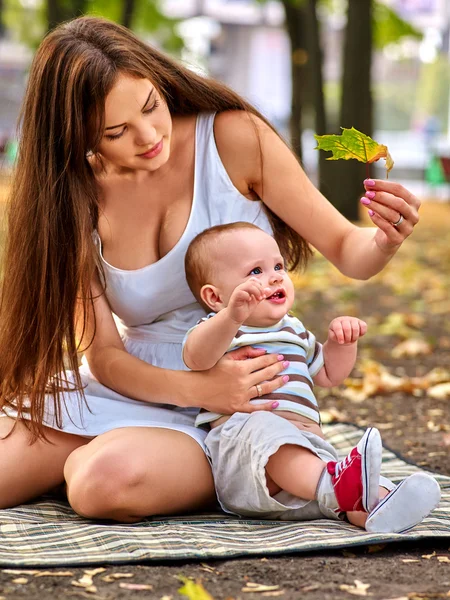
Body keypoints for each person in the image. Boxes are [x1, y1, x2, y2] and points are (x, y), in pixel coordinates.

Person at [0, 16, 423, 523]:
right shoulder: (73, 194)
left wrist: (383, 238)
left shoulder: (232, 138)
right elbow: (106, 357)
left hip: (236, 408)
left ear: (159, 80)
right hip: (140, 384)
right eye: (116, 132)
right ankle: (109, 459)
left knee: (99, 483)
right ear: (77, 137)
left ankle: (253, 470)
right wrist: (198, 387)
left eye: (151, 105)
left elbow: (348, 250)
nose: (149, 135)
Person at [182, 222, 440, 532]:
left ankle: (378, 508)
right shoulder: (220, 330)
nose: (275, 276)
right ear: (214, 297)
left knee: (353, 486)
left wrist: (342, 345)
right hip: (247, 456)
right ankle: (341, 486)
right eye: (255, 272)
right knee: (269, 430)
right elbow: (197, 358)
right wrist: (231, 316)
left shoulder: (294, 330)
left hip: (308, 457)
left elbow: (329, 374)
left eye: (278, 266)